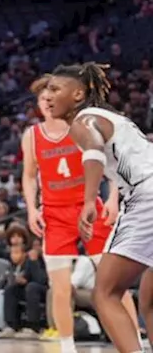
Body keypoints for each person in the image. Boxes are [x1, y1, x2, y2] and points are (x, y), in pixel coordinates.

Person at [46, 63, 153, 353]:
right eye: (46, 89)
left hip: (147, 197)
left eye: (55, 89)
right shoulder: (113, 118)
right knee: (149, 300)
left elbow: (93, 151)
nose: (48, 95)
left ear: (78, 94)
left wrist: (89, 199)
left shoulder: (83, 122)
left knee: (105, 293)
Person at [22, 75, 132, 349]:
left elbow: (111, 166)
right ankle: (67, 346)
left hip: (90, 210)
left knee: (113, 283)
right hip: (55, 216)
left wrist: (113, 199)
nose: (48, 102)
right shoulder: (32, 136)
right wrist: (31, 208)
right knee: (60, 287)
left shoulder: (83, 127)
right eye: (43, 99)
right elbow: (29, 176)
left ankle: (136, 341)